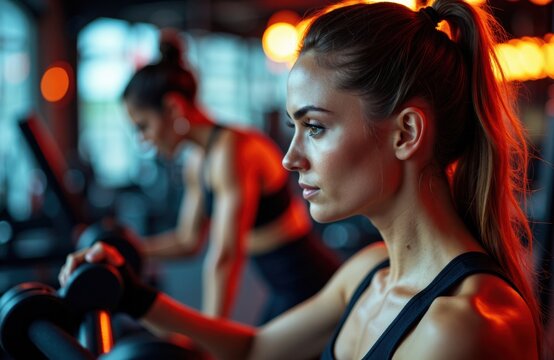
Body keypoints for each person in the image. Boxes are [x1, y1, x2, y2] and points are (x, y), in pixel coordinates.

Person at [59, 0, 543, 358]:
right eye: (294, 127)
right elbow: (256, 349)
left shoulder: (461, 327)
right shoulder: (370, 270)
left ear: (406, 133)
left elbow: (224, 259)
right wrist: (130, 294)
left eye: (315, 127)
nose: (289, 159)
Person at [116, 30, 340, 323]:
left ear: (172, 107)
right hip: (281, 288)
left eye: (143, 126)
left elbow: (225, 257)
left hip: (311, 284)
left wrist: (211, 339)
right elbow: (188, 240)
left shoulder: (232, 152)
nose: (144, 139)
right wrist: (125, 250)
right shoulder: (198, 159)